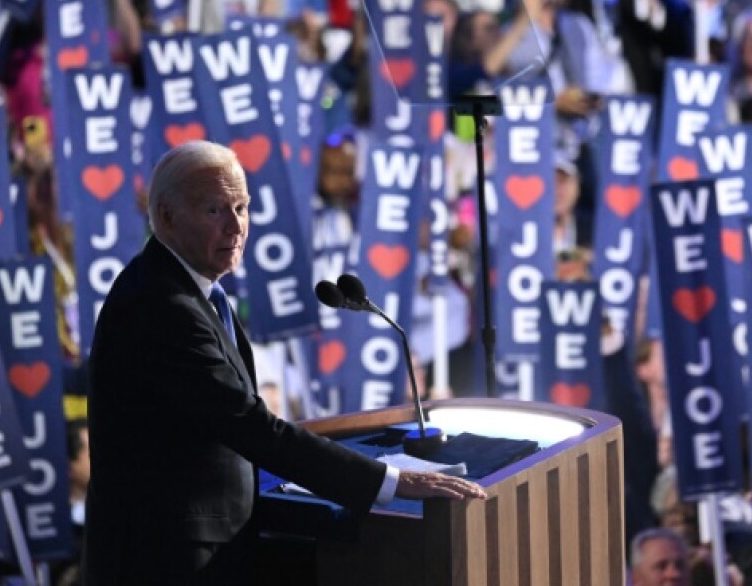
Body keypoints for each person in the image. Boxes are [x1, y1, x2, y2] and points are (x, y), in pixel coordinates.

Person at [84, 141, 485, 585]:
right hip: (165, 561)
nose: (236, 226)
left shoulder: (187, 285)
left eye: (241, 207)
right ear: (167, 216)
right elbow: (249, 426)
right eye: (215, 210)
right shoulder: (163, 304)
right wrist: (388, 482)